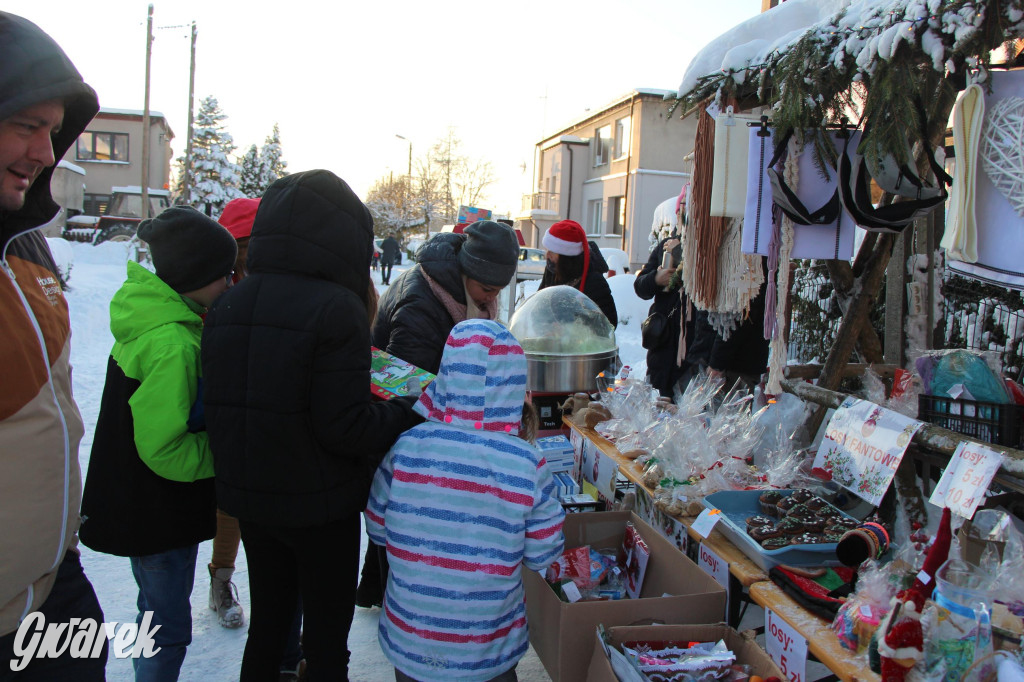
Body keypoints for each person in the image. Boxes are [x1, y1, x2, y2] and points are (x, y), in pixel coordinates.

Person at [201, 169, 421, 681]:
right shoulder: (336, 308)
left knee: (270, 627)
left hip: (252, 501)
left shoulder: (229, 303)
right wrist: (402, 406)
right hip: (319, 510)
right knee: (324, 645)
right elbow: (345, 427)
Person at [79, 206, 237, 680]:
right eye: (223, 275)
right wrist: (224, 457)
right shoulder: (172, 343)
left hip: (138, 505)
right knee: (166, 629)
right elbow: (165, 448)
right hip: (156, 513)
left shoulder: (153, 318)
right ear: (195, 276)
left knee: (153, 610)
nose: (231, 284)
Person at [365, 319, 565, 682]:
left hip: (411, 645)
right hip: (487, 651)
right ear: (514, 385)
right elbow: (543, 552)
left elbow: (377, 527)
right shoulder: (525, 463)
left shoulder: (406, 447)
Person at [0, 12, 105, 680]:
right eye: (25, 124)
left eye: (53, 130)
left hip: (52, 590)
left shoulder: (27, 246)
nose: (46, 152)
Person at [357, 220, 521, 608]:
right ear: (466, 272)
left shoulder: (454, 290)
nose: (491, 298)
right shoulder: (422, 304)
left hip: (411, 419)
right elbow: (408, 391)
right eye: (487, 289)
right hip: (399, 425)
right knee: (402, 511)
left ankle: (372, 588)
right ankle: (398, 595)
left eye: (498, 290)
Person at [633, 235, 701, 398]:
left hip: (693, 344)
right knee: (660, 401)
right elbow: (640, 286)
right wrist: (656, 279)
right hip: (663, 341)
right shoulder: (667, 246)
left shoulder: (705, 247)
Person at [540, 219, 618, 327]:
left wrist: (570, 328)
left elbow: (609, 323)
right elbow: (540, 305)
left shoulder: (594, 282)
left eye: (552, 251)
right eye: (547, 249)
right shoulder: (552, 271)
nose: (547, 255)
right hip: (553, 341)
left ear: (566, 257)